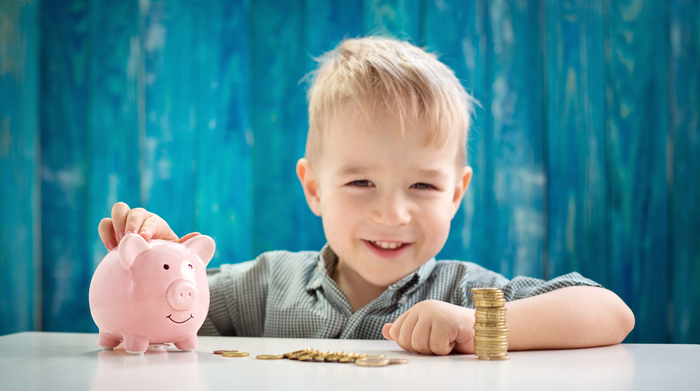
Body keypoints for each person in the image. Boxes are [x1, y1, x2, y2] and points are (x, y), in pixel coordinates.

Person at [98, 37, 634, 355]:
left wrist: (476, 327)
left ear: (456, 193)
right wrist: (163, 272)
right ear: (313, 188)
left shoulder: (465, 292)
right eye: (361, 182)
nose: (392, 212)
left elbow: (611, 312)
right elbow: (153, 330)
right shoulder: (264, 285)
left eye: (423, 185)